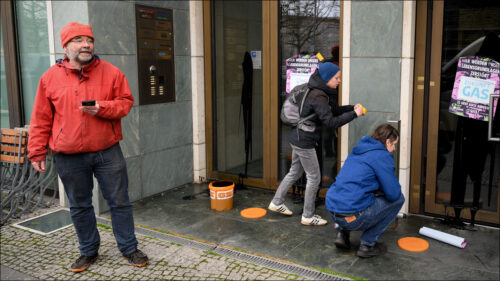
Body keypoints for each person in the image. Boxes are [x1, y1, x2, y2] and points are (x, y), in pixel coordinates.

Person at [28, 22, 148, 272]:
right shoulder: (49, 78)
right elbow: (41, 118)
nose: (86, 44)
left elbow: (125, 103)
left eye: (89, 40)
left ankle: (128, 248)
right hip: (69, 156)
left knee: (120, 202)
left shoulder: (112, 72)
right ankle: (88, 251)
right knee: (80, 205)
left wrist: (102, 108)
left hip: (107, 152)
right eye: (78, 40)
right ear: (66, 45)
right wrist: (37, 150)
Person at [269, 62, 364, 226]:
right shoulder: (318, 95)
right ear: (327, 78)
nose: (339, 80)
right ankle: (308, 215)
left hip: (297, 136)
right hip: (304, 140)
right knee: (314, 178)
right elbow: (331, 122)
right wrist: (354, 114)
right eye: (337, 77)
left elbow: (331, 111)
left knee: (294, 172)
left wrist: (351, 109)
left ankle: (276, 202)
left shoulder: (317, 90)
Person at [326, 123, 405, 258]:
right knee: (399, 199)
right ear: (387, 142)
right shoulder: (382, 156)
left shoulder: (359, 150)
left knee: (352, 195)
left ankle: (342, 233)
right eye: (394, 145)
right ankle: (367, 245)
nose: (394, 149)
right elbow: (393, 194)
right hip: (352, 217)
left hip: (333, 211)